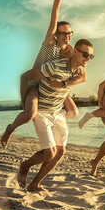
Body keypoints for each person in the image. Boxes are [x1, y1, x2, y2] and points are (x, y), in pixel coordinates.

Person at [1, 0, 83, 148]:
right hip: (36, 85)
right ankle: (11, 128)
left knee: (74, 112)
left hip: (55, 88)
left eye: (70, 33)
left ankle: (51, 118)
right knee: (29, 114)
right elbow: (52, 23)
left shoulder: (71, 51)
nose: (67, 36)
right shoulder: (49, 45)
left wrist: (65, 84)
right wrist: (57, 0)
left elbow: (82, 74)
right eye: (63, 33)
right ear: (57, 35)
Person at [16, 39, 94, 191]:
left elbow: (84, 77)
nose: (88, 59)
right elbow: (26, 76)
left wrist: (63, 85)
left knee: (60, 151)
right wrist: (24, 101)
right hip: (43, 109)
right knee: (49, 152)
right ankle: (25, 165)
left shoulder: (80, 69)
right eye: (85, 54)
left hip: (58, 111)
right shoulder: (56, 65)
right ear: (75, 51)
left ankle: (35, 184)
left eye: (91, 56)